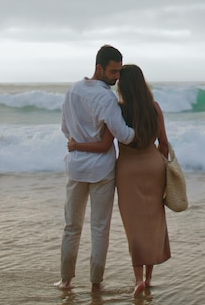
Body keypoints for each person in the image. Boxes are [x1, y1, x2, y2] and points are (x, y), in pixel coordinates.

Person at [68, 64, 171, 298]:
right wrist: (162, 165)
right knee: (153, 222)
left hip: (127, 171)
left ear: (123, 86)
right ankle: (149, 278)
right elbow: (163, 142)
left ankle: (137, 280)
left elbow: (105, 144)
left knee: (134, 227)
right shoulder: (154, 109)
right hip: (153, 167)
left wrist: (75, 145)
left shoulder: (119, 110)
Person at [55, 45, 136, 292]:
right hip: (101, 170)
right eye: (113, 71)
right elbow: (123, 135)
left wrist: (78, 142)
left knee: (72, 225)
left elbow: (65, 129)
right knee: (99, 228)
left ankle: (66, 281)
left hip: (77, 167)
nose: (117, 77)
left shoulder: (73, 91)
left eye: (119, 71)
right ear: (99, 68)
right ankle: (95, 284)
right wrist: (143, 131)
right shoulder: (106, 98)